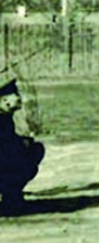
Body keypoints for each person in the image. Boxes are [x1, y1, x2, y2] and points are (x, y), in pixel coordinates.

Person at [0, 77, 44, 214]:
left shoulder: (5, 118)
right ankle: (11, 197)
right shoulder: (3, 119)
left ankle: (12, 196)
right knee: (32, 152)